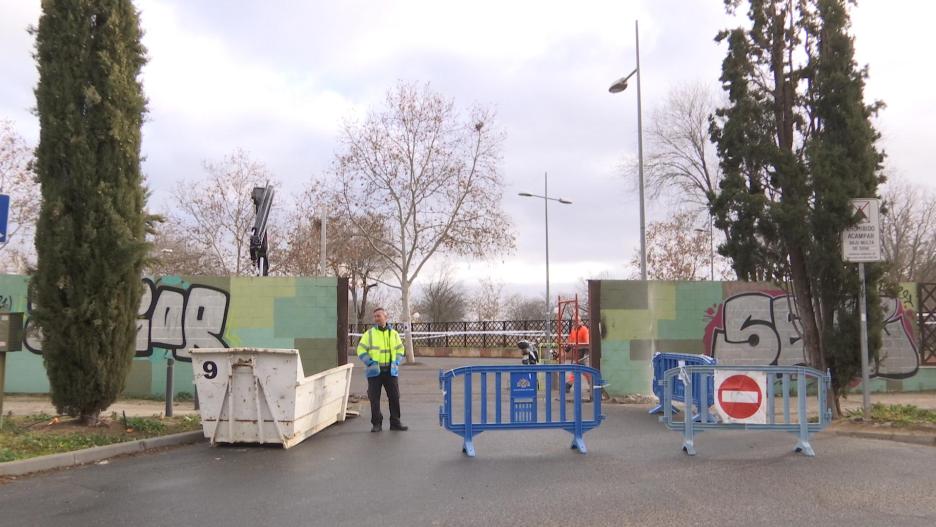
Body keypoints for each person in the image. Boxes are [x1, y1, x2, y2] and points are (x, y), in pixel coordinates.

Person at [356, 307, 408, 432]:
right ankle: (376, 424)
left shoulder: (394, 334)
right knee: (374, 399)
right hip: (374, 372)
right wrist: (370, 362)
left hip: (391, 371)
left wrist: (396, 361)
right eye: (375, 316)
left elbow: (401, 350)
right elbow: (361, 350)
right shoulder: (369, 334)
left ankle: (395, 423)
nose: (376, 319)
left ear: (386, 317)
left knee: (394, 397)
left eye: (379, 316)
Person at [564, 318, 590, 392]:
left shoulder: (583, 329)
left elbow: (586, 342)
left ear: (580, 321)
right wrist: (568, 347)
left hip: (582, 351)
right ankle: (591, 384)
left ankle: (569, 384)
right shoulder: (573, 330)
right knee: (584, 369)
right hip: (576, 351)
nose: (575, 323)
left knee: (578, 368)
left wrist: (585, 352)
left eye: (576, 321)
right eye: (574, 321)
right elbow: (571, 340)